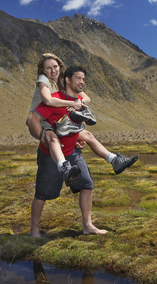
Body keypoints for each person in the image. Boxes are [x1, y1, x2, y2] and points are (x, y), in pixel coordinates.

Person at [26, 53, 137, 187]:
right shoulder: (44, 80)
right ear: (43, 70)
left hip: (54, 118)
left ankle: (114, 160)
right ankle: (64, 167)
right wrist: (72, 104)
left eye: (55, 67)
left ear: (60, 67)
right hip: (38, 119)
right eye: (48, 68)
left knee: (88, 135)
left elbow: (86, 98)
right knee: (52, 139)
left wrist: (80, 103)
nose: (53, 70)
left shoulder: (61, 82)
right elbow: (48, 100)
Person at [30, 66, 107, 237]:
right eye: (79, 78)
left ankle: (87, 226)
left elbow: (80, 124)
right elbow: (32, 119)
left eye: (84, 79)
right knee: (42, 193)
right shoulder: (54, 98)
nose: (82, 82)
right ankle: (34, 230)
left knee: (86, 184)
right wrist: (43, 137)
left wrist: (79, 139)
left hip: (72, 152)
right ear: (67, 80)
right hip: (50, 154)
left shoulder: (80, 102)